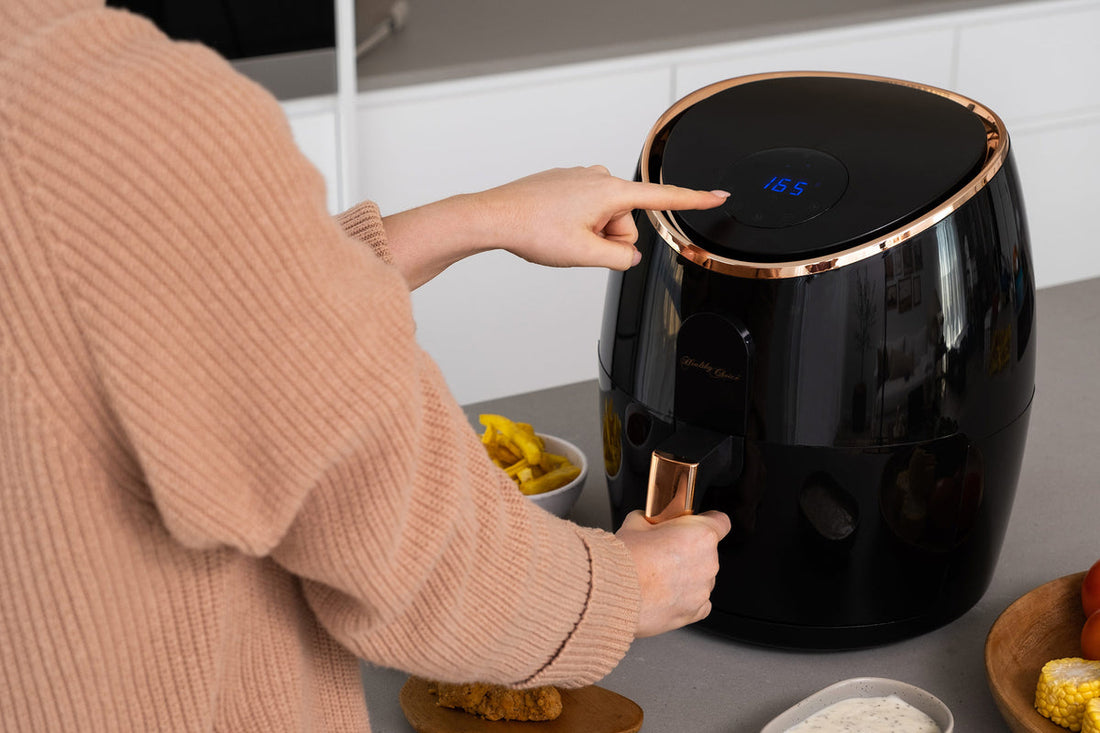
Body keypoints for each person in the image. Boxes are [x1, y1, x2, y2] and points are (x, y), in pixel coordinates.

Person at [0, 0, 731, 730]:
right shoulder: (120, 107)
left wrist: (474, 217)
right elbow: (406, 542)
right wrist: (625, 587)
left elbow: (178, 303)